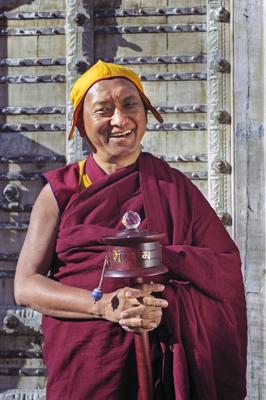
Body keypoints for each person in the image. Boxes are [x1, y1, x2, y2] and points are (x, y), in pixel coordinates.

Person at [14, 60, 247, 399]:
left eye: (129, 105)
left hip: (160, 365)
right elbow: (25, 286)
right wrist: (104, 305)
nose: (120, 120)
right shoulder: (61, 192)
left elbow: (223, 269)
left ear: (146, 114)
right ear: (80, 124)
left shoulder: (173, 187)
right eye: (103, 110)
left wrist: (163, 296)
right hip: (88, 365)